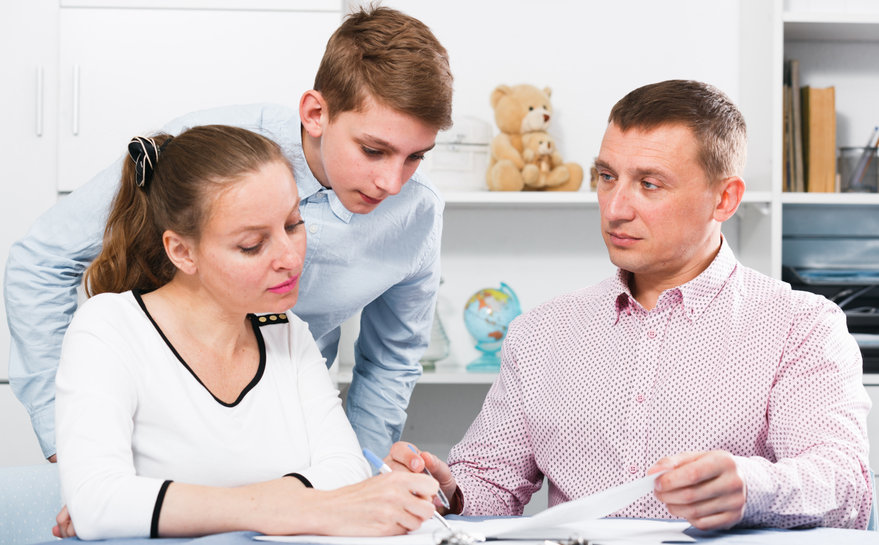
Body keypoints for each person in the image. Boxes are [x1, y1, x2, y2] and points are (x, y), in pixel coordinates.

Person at [388, 80, 873, 530]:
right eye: (606, 176)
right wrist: (447, 491)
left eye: (649, 184)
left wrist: (750, 489)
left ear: (724, 200)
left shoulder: (802, 327)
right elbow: (490, 483)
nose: (615, 207)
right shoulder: (541, 332)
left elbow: (847, 488)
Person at [5, 5, 453, 462]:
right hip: (155, 429)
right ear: (316, 113)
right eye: (374, 150)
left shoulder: (413, 215)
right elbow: (40, 263)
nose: (393, 183)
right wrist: (65, 436)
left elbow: (390, 363)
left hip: (286, 438)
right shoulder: (207, 150)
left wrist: (359, 475)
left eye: (416, 156)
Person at [54, 125, 440, 540]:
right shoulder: (109, 328)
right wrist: (299, 508)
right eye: (253, 245)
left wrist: (157, 506)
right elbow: (97, 503)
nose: (291, 259)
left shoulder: (287, 332)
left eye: (293, 224)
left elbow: (345, 471)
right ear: (182, 251)